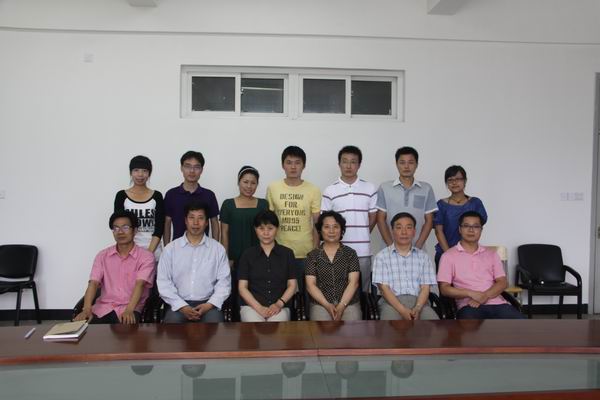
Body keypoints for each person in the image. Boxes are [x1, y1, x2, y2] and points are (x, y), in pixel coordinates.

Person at [437, 211, 525, 319]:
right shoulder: (448, 256)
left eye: (476, 226)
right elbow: (444, 289)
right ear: (460, 229)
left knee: (522, 324)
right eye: (466, 226)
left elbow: (502, 282)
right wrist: (471, 294)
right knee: (471, 327)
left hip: (498, 304)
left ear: (481, 230)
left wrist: (484, 296)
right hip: (468, 306)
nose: (471, 230)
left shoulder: (492, 254)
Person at [73, 211, 155, 324]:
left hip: (130, 307)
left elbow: (140, 284)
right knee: (83, 329)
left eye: (125, 227)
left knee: (124, 331)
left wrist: (129, 310)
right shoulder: (102, 256)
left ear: (135, 230)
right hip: (104, 308)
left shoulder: (146, 257)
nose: (120, 232)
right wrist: (86, 309)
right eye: (116, 228)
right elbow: (93, 283)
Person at [157, 201, 231, 323]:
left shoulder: (218, 249)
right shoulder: (170, 249)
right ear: (185, 220)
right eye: (191, 218)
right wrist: (182, 306)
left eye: (200, 218)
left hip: (208, 305)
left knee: (215, 326)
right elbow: (163, 283)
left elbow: (224, 283)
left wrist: (209, 305)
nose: (196, 223)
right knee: (171, 327)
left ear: (206, 222)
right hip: (178, 305)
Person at [321, 145, 377, 292]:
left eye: (353, 162)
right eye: (345, 161)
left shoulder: (370, 188)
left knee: (362, 291)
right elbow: (324, 222)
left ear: (359, 165)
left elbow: (373, 218)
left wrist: (362, 232)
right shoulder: (330, 190)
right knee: (339, 290)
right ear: (339, 164)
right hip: (337, 250)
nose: (348, 166)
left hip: (363, 251)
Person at [266, 146, 321, 293]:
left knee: (306, 294)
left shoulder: (313, 189)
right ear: (282, 165)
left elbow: (317, 224)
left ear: (304, 165)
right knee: (280, 294)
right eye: (289, 162)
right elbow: (269, 222)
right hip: (279, 251)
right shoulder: (273, 188)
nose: (293, 167)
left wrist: (315, 252)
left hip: (306, 252)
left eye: (297, 163)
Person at [372, 212, 438, 320]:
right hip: (391, 303)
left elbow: (425, 288)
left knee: (434, 325)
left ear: (414, 231)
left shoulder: (423, 257)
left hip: (419, 303)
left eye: (408, 227)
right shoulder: (382, 257)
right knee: (390, 326)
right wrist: (402, 310)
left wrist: (417, 308)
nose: (404, 232)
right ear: (392, 231)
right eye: (399, 228)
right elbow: (384, 289)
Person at [237, 210, 297, 322]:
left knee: (276, 326)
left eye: (270, 228)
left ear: (277, 229)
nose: (266, 233)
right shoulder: (247, 254)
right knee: (254, 324)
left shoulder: (287, 254)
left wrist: (279, 304)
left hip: (280, 307)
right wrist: (259, 308)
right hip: (252, 306)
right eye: (261, 228)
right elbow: (242, 288)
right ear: (255, 229)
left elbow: (292, 285)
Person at [305, 211, 362, 321]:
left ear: (341, 230)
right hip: (321, 304)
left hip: (348, 303)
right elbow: (310, 285)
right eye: (326, 227)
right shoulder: (312, 256)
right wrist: (326, 305)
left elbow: (353, 283)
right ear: (320, 230)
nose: (331, 231)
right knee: (322, 327)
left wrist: (342, 305)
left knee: (353, 326)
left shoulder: (350, 253)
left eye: (335, 227)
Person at [376, 147, 437, 249]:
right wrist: (391, 246)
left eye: (411, 162)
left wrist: (418, 246)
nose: (406, 166)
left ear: (416, 165)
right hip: (389, 249)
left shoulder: (426, 188)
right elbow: (380, 219)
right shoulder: (385, 187)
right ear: (396, 164)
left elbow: (429, 221)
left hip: (417, 248)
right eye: (402, 162)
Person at [433, 165, 487, 268]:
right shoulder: (440, 205)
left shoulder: (475, 203)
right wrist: (450, 255)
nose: (454, 182)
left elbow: (477, 228)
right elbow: (438, 231)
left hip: (470, 254)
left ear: (465, 181)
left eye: (458, 179)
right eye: (450, 180)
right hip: (445, 253)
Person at [114, 155, 165, 260]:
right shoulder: (121, 196)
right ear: (131, 173)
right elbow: (119, 227)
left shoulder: (157, 196)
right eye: (136, 170)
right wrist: (131, 254)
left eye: (144, 171)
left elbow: (159, 228)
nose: (140, 174)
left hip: (153, 254)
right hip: (129, 255)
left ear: (149, 174)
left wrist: (148, 254)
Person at [164, 151, 219, 244]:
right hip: (177, 247)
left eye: (196, 167)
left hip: (203, 247)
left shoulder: (209, 195)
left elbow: (214, 223)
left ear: (201, 170)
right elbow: (167, 223)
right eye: (188, 166)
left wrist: (215, 247)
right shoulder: (171, 194)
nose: (192, 171)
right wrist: (167, 248)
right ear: (181, 168)